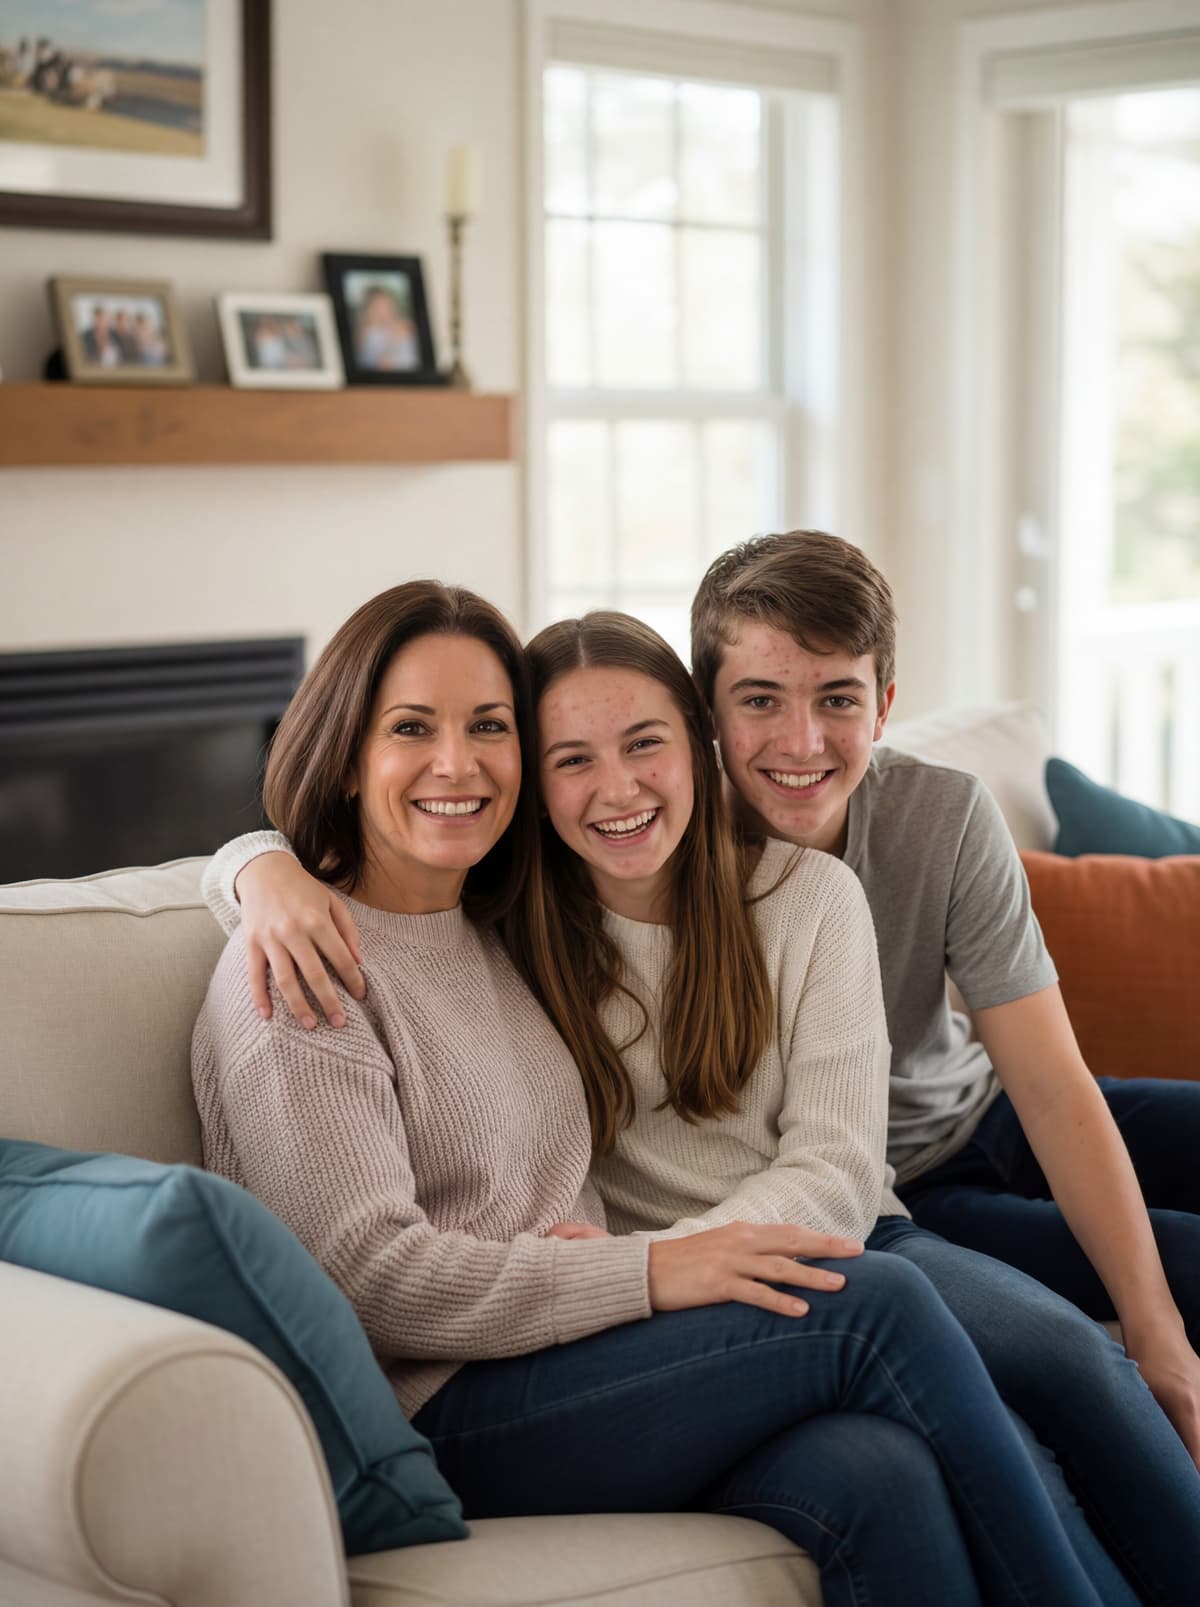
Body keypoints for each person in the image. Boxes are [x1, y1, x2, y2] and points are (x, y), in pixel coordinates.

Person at [192, 581, 1118, 1607]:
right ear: (344, 748)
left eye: (489, 727)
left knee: (872, 1469)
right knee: (877, 1302)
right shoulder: (299, 967)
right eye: (412, 727)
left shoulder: (490, 916)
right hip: (440, 1408)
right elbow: (365, 1277)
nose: (458, 763)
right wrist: (651, 1271)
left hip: (573, 1354)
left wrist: (253, 861)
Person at [687, 531, 1200, 1467]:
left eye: (836, 698)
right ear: (708, 714)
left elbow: (1049, 1082)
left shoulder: (944, 813)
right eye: (760, 700)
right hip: (905, 1190)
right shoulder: (656, 848)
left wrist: (1156, 1336)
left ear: (882, 704)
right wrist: (314, 878)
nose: (802, 742)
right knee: (1186, 1261)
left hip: (991, 1107)